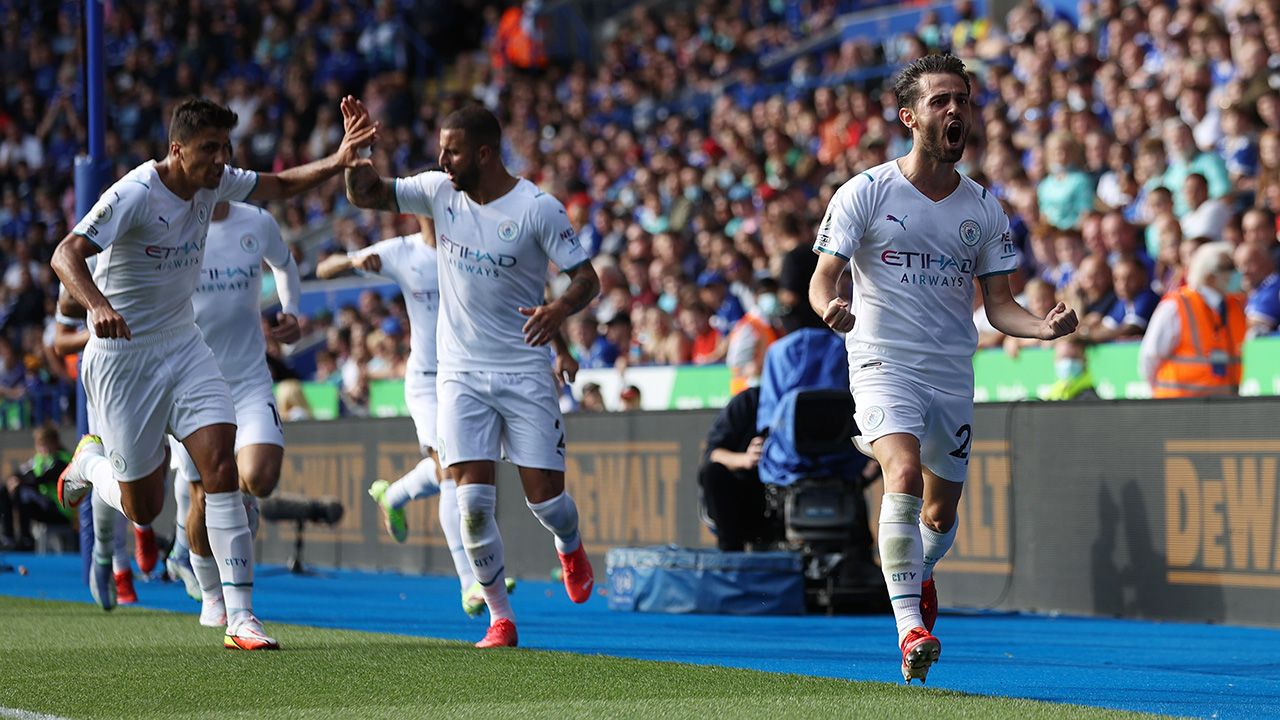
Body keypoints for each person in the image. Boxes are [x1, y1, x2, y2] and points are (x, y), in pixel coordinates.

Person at [50, 97, 377, 650]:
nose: (221, 159)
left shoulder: (215, 182)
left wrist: (338, 160)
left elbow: (277, 185)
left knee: (220, 463)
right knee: (143, 507)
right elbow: (65, 253)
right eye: (210, 149)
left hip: (184, 346)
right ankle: (88, 463)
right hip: (125, 361)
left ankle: (241, 616)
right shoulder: (135, 191)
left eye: (227, 148)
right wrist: (98, 305)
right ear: (176, 150)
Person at [809, 55, 1078, 683]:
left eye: (961, 99)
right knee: (899, 473)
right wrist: (834, 309)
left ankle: (918, 573)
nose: (955, 110)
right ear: (910, 117)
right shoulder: (865, 192)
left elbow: (1002, 304)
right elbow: (825, 279)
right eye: (940, 101)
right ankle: (910, 630)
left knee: (940, 515)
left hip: (951, 371)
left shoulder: (983, 209)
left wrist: (1044, 327)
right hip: (881, 359)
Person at [343, 102, 600, 649]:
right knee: (472, 504)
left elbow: (587, 279)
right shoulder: (438, 191)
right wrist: (356, 152)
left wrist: (558, 313)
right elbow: (365, 193)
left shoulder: (538, 209)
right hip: (458, 374)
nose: (441, 159)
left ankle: (570, 544)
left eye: (451, 150)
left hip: (524, 369)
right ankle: (500, 618)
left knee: (546, 502)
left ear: (483, 154)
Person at [315, 214, 523, 617]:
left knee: (460, 469)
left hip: (467, 375)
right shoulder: (401, 250)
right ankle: (471, 583)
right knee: (449, 469)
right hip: (427, 381)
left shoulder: (470, 249)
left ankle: (393, 495)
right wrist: (357, 263)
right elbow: (325, 268)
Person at [163, 199, 303, 627]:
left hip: (248, 380)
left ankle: (240, 505)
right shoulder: (170, 224)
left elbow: (285, 263)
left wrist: (292, 311)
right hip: (193, 384)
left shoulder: (256, 220)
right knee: (203, 498)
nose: (215, 164)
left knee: (259, 477)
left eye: (221, 151)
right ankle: (209, 591)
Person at [1140, 242, 1246, 398]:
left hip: (1220, 407)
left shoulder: (1234, 307)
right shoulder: (1175, 306)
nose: (1237, 273)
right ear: (1209, 277)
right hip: (1178, 406)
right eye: (1228, 267)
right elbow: (1149, 357)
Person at [697, 386, 772, 552]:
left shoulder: (818, 401)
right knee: (712, 473)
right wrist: (746, 459)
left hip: (812, 488)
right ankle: (731, 556)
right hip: (755, 496)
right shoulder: (750, 401)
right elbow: (713, 453)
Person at [0, 424, 72, 551]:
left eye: (45, 444)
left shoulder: (62, 460)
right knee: (6, 489)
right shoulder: (39, 459)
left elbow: (42, 478)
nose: (41, 449)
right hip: (44, 505)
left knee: (23, 492)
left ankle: (26, 539)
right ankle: (8, 537)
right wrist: (13, 480)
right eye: (39, 445)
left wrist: (19, 481)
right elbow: (21, 472)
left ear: (54, 443)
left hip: (59, 510)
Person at [1235, 241, 1280, 337]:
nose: (1243, 271)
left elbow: (1254, 325)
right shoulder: (1257, 289)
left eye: (1249, 263)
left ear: (1267, 262)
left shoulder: (1274, 286)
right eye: (1239, 265)